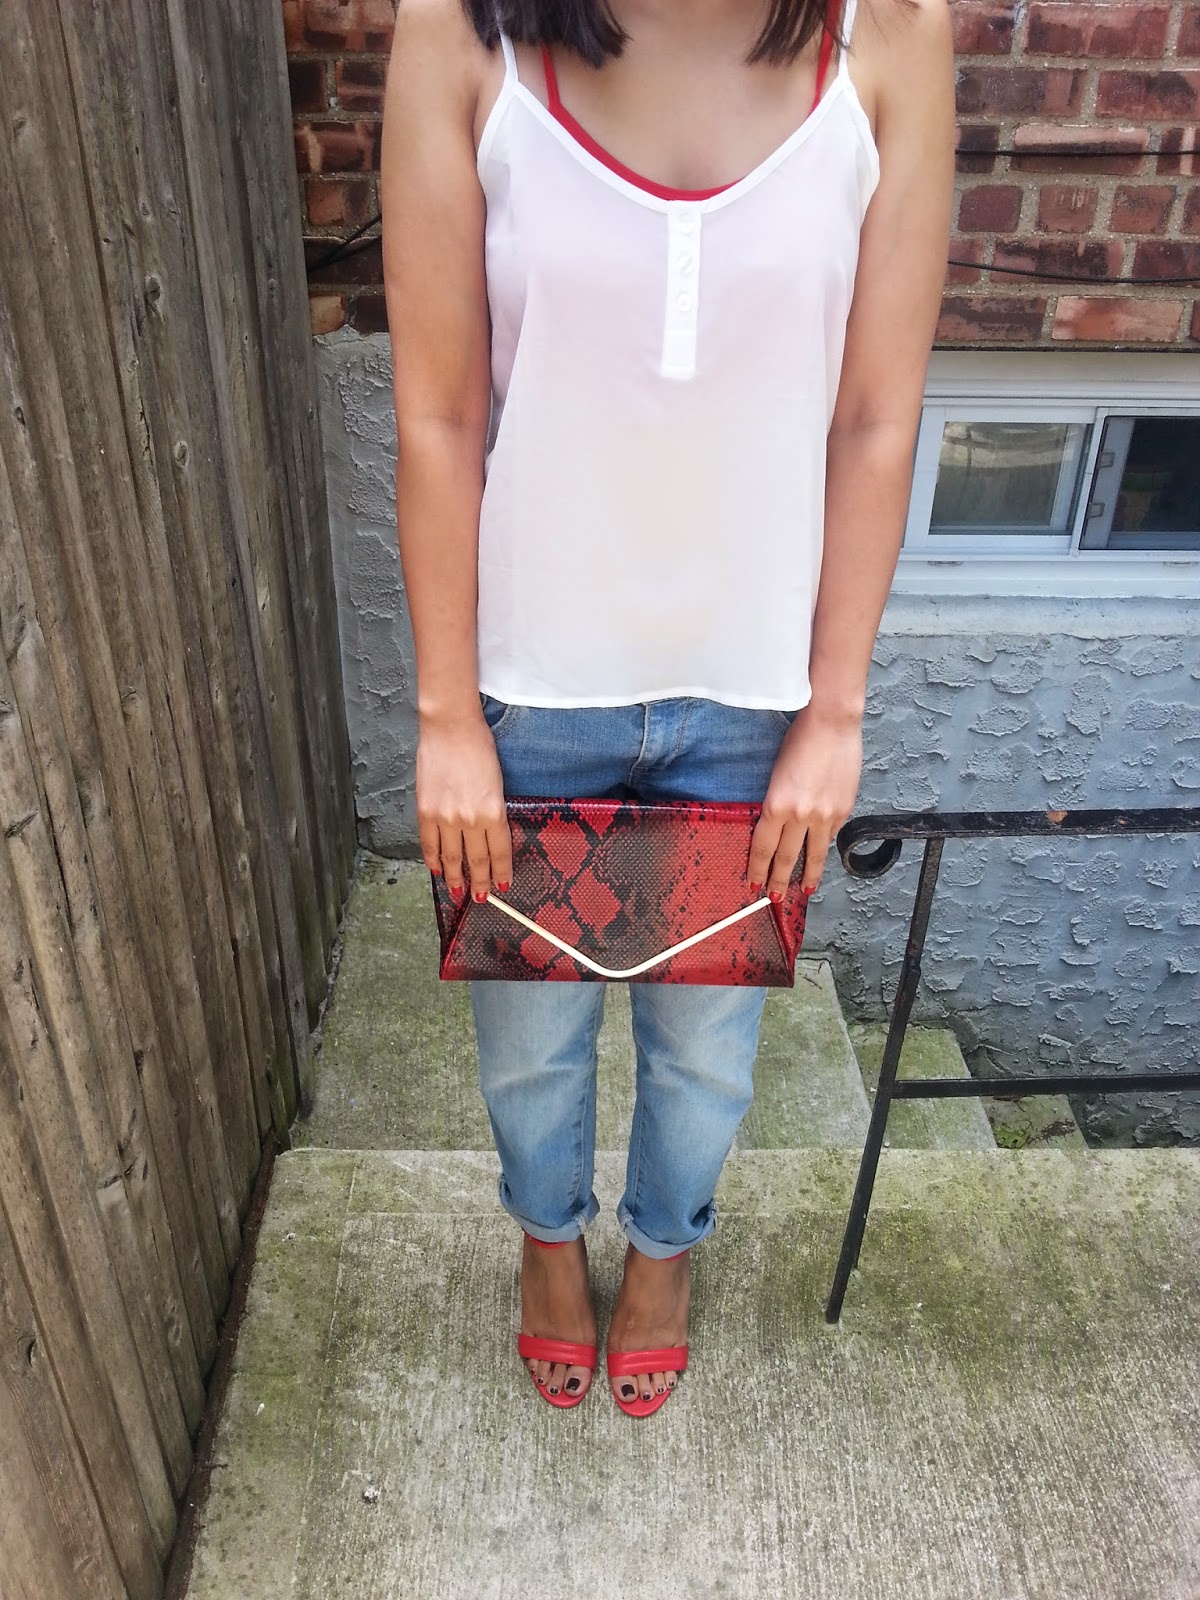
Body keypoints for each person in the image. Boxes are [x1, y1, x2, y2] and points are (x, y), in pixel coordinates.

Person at [380, 0, 954, 1416]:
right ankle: (545, 1237)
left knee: (706, 1048)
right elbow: (439, 411)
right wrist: (446, 717)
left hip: (753, 704)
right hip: (532, 692)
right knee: (529, 1045)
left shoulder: (889, 37)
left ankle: (664, 1252)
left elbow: (877, 416)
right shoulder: (462, 33)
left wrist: (836, 712)